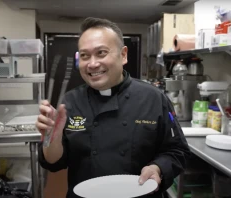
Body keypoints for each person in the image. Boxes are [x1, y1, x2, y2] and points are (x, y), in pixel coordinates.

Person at [36, 17, 190, 198]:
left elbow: (177, 151)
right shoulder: (70, 101)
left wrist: (158, 168)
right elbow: (54, 163)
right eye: (84, 55)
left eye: (101, 53)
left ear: (123, 55)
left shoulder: (154, 98)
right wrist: (51, 139)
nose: (92, 64)